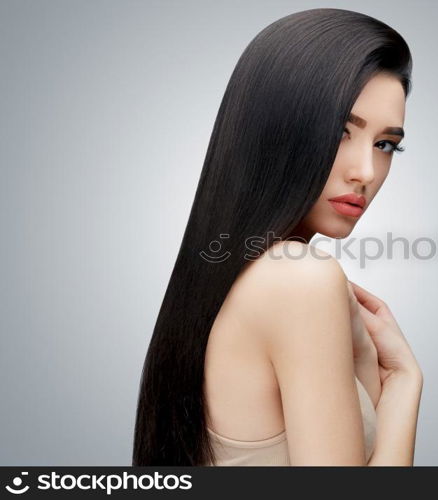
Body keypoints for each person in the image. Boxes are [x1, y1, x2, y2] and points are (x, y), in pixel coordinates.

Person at [133, 7, 422, 466]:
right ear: (277, 132)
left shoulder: (235, 278)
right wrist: (405, 384)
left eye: (385, 145)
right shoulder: (299, 277)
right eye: (340, 132)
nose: (366, 171)